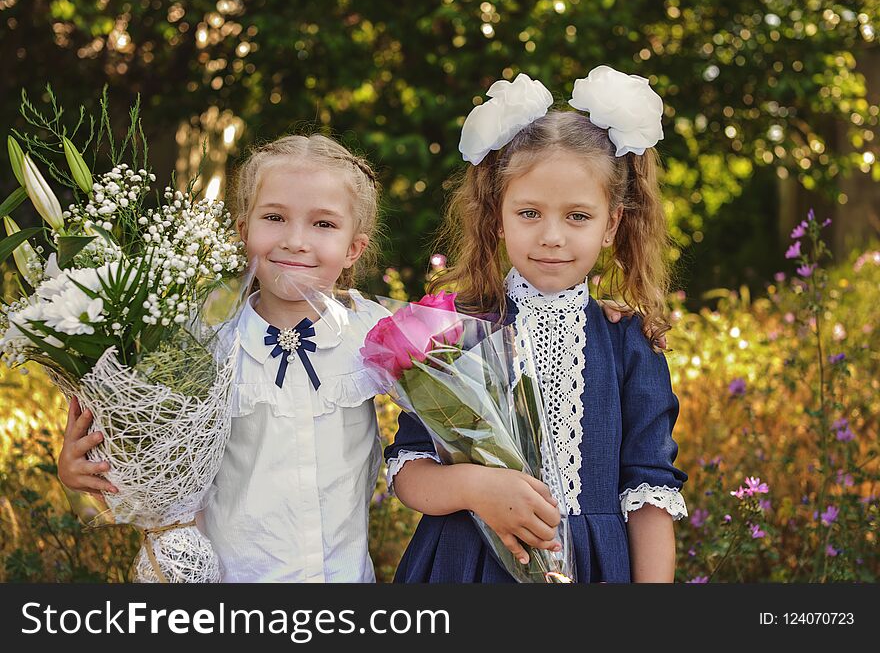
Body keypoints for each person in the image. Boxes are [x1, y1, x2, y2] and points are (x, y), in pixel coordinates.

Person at [386, 67, 688, 583]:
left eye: (577, 216)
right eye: (529, 212)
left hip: (591, 569)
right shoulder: (455, 331)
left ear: (612, 223)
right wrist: (474, 488)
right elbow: (409, 471)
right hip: (466, 565)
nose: (552, 236)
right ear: (496, 216)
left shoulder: (628, 342)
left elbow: (649, 495)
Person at [58, 134, 389, 582]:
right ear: (242, 230)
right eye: (274, 217)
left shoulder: (377, 332)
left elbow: (439, 426)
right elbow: (139, 449)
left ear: (354, 247)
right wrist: (80, 467)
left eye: (323, 225)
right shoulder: (200, 341)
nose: (295, 240)